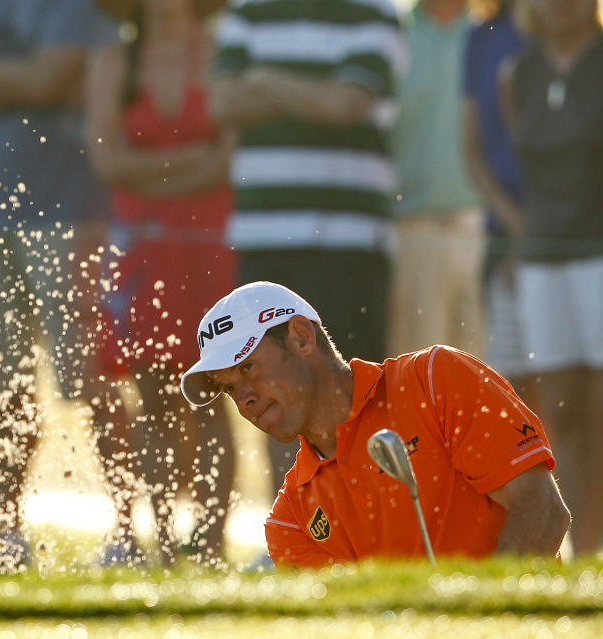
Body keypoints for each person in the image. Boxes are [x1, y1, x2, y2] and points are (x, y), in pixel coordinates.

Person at [181, 281, 571, 567]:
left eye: (248, 368)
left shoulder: (437, 378)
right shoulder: (291, 521)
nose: (244, 398)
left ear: (301, 337)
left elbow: (543, 512)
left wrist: (480, 622)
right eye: (230, 388)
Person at [0, 0, 121, 570]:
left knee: (90, 379)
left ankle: (129, 530)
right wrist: (27, 81)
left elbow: (49, 79)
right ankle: (0, 528)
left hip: (71, 213)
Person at [208, 0, 403, 522]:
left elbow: (346, 106)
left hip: (349, 238)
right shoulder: (247, 13)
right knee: (266, 386)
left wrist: (266, 81)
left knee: (356, 392)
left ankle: (367, 525)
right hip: (264, 233)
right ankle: (298, 520)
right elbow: (223, 103)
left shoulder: (374, 13)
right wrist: (311, 95)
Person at [87, 0, 235, 565]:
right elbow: (107, 161)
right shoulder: (115, 59)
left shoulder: (222, 49)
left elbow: (229, 158)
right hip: (141, 248)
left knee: (215, 388)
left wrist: (151, 173)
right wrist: (187, 168)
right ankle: (165, 541)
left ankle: (215, 544)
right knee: (149, 392)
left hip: (208, 244)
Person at [499, 0, 603, 554]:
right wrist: (522, 233)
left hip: (600, 254)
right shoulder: (517, 74)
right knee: (560, 410)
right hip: (542, 260)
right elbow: (518, 172)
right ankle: (583, 554)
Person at [390, 0, 486, 358]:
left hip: (486, 233)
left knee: (489, 383)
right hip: (413, 231)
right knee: (419, 377)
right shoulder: (393, 35)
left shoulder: (486, 36)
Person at [462, 1, 539, 413]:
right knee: (514, 397)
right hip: (501, 238)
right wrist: (515, 233)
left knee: (576, 395)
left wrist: (531, 238)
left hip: (566, 237)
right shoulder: (481, 38)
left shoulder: (568, 35)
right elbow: (473, 151)